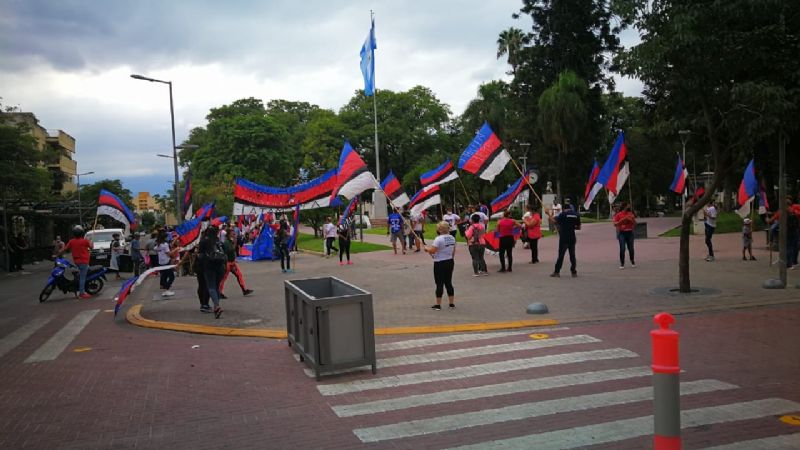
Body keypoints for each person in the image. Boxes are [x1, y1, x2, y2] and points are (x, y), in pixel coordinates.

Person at [423, 221, 456, 310]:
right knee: (448, 282)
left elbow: (433, 251)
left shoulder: (438, 239)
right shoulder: (452, 238)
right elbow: (453, 250)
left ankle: (438, 304)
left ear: (440, 229)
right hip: (449, 261)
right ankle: (451, 303)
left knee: (439, 283)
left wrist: (427, 249)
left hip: (440, 263)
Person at [55, 227, 93, 299]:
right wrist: (91, 242)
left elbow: (65, 249)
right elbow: (91, 247)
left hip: (76, 261)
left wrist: (58, 254)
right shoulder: (85, 241)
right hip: (84, 261)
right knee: (82, 277)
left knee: (83, 273)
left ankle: (83, 287)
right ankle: (82, 293)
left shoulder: (71, 241)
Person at [198, 226, 226, 318]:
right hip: (221, 267)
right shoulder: (219, 241)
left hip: (209, 267)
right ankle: (216, 306)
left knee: (211, 287)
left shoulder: (204, 242)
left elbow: (201, 256)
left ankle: (217, 306)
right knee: (216, 287)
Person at [219, 226, 253, 298]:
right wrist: (235, 243)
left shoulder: (229, 241)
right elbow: (230, 250)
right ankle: (219, 292)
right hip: (228, 263)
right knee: (224, 278)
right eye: (232, 233)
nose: (234, 234)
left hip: (232, 262)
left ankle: (244, 289)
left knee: (239, 275)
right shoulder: (226, 242)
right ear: (229, 234)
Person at [548, 202, 581, 278]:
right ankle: (573, 272)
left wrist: (548, 214)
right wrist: (571, 227)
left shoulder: (562, 214)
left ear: (563, 209)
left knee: (561, 255)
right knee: (572, 255)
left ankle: (557, 272)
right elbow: (579, 227)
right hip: (572, 237)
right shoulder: (576, 215)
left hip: (564, 238)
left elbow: (554, 222)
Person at [613, 202, 637, 269]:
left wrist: (632, 220)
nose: (629, 206)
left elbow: (635, 224)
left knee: (631, 249)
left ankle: (632, 260)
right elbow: (615, 224)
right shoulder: (618, 215)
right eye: (628, 205)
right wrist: (621, 221)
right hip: (622, 233)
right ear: (624, 206)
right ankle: (622, 263)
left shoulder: (630, 214)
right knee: (622, 248)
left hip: (630, 233)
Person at [155, 231, 178, 297]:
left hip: (161, 263)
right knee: (172, 276)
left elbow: (155, 249)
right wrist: (175, 249)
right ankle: (167, 289)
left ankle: (165, 291)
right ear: (165, 238)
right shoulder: (165, 244)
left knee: (164, 276)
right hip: (166, 263)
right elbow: (169, 254)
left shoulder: (158, 244)